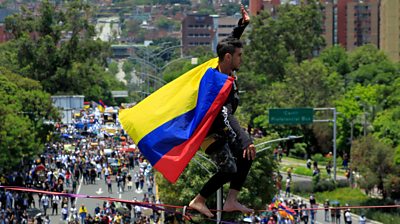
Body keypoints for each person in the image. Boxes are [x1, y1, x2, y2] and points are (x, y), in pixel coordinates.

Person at [188, 4, 255, 218]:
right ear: (228, 58)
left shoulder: (220, 66)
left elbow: (227, 45)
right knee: (229, 169)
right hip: (209, 134)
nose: (241, 59)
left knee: (247, 156)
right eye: (239, 56)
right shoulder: (219, 83)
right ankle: (198, 201)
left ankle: (231, 201)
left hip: (221, 130)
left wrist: (241, 26)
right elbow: (226, 113)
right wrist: (244, 138)